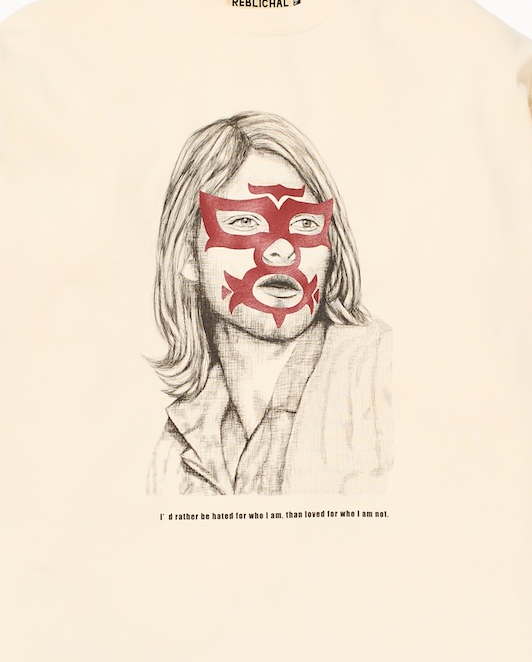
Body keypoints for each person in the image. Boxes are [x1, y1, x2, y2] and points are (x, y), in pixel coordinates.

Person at [146, 110, 392, 495]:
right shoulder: (181, 443)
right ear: (187, 255)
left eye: (305, 224)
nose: (282, 250)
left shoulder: (379, 381)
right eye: (245, 222)